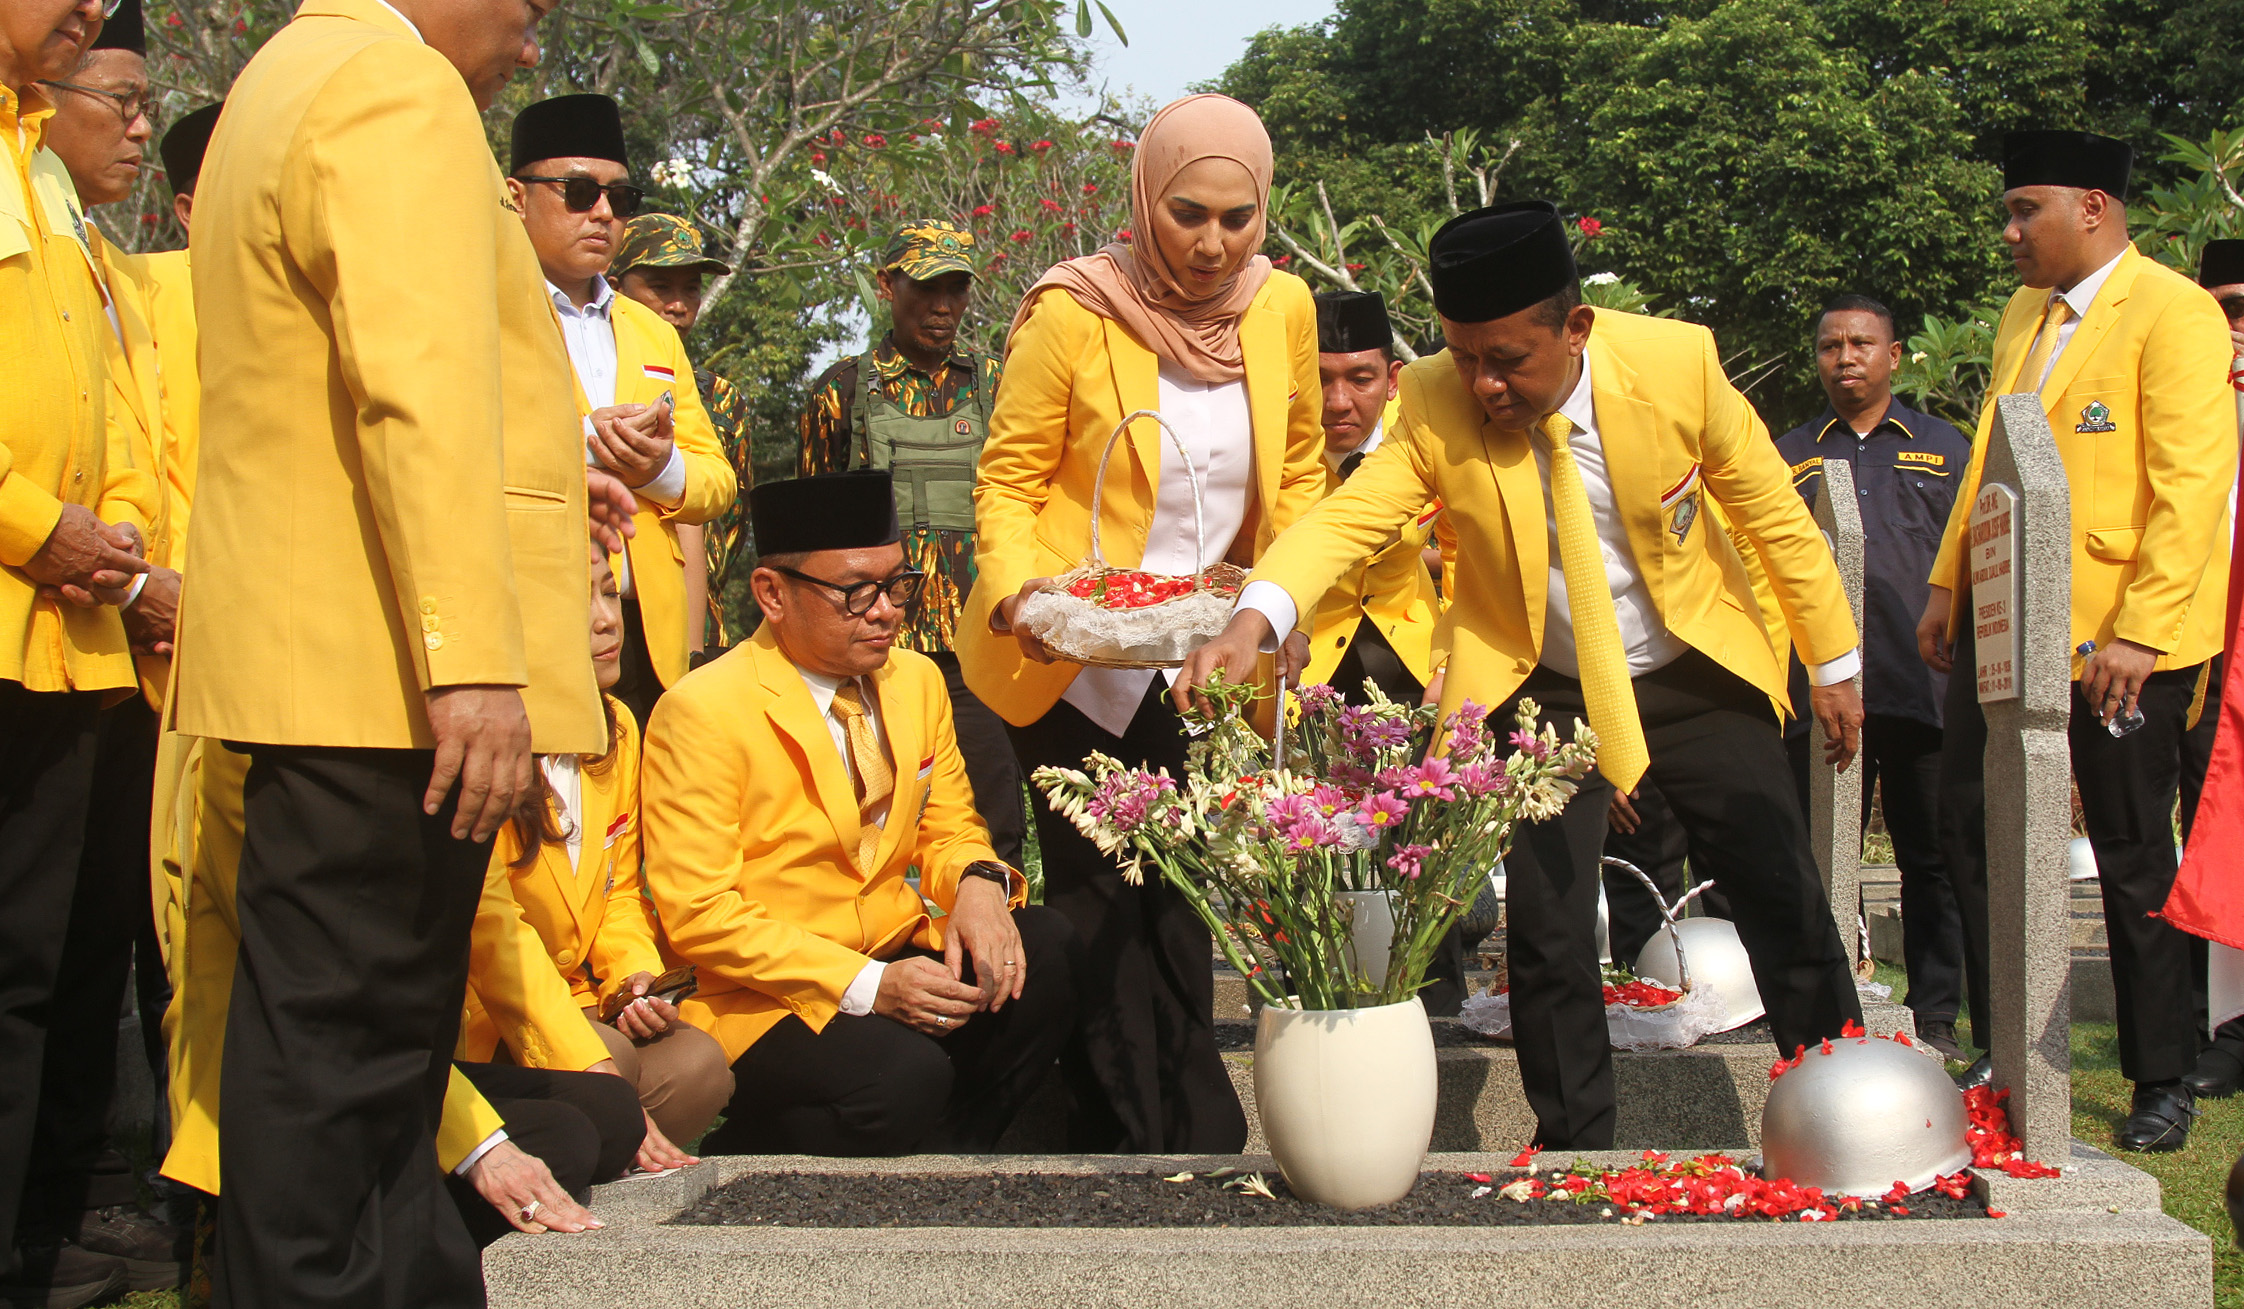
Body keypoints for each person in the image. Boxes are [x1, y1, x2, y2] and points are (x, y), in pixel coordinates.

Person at [1181, 199, 1868, 1151]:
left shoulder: (1677, 364)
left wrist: (1833, 664)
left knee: (1779, 889)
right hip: (1538, 684)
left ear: (1575, 327)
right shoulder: (1434, 399)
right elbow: (1346, 521)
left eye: (1507, 359)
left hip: (1690, 668)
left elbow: (1774, 518)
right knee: (1548, 932)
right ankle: (1575, 1146)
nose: (1485, 384)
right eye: (1464, 356)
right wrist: (1253, 619)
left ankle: (1851, 1112)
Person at [166, 0, 632, 1300]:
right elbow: (414, 392)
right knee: (344, 1079)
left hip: (326, 666)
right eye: (528, 10)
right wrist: (471, 663)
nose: (528, 46)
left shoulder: (285, 73)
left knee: (356, 1074)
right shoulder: (394, 88)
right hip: (383, 680)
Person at [957, 94, 1326, 1153]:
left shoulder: (1282, 308)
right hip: (1074, 657)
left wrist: (1284, 605)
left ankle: (1186, 1131)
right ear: (1144, 201)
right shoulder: (1076, 309)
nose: (1213, 244)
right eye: (1187, 214)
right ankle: (1127, 1137)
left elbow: (1303, 471)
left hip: (1208, 653)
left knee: (1186, 901)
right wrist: (1023, 596)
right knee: (1098, 901)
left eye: (1237, 218)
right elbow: (1009, 479)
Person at [1917, 131, 2235, 1152]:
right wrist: (1949, 580)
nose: (2010, 233)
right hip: (2006, 621)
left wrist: (2140, 633)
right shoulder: (2026, 313)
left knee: (2131, 851)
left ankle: (2161, 1074)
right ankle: (2006, 1042)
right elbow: (1989, 454)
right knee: (1970, 823)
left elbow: (2193, 487)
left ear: (2093, 207)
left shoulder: (2175, 311)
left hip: (2118, 639)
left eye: (2027, 211)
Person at [642, 470, 1077, 1156]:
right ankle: (754, 1154)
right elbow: (701, 913)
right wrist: (871, 985)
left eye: (897, 584)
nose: (885, 612)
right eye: (856, 592)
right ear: (772, 593)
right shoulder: (701, 710)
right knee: (900, 1078)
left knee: (1045, 950)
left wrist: (979, 883)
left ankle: (943, 1157)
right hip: (769, 990)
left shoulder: (918, 680)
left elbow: (951, 826)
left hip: (894, 944)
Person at [18, 1, 191, 1292]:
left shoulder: (81, 240)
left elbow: (118, 429)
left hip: (100, 637)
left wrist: (121, 548)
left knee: (64, 959)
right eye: (115, 99)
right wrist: (56, 535)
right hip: (47, 607)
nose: (134, 126)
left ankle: (49, 1219)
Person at [458, 541, 734, 1152]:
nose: (608, 620)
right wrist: (596, 1062)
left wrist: (633, 980)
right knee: (612, 1067)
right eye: (574, 600)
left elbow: (619, 894)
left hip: (579, 994)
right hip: (488, 1010)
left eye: (610, 592)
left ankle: (602, 1159)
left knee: (698, 1068)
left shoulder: (618, 726)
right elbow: (490, 933)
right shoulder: (478, 745)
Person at [1771, 294, 1973, 1061]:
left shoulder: (1944, 447)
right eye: (1831, 344)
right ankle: (1824, 1013)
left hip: (1922, 688)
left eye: (1861, 342)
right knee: (1819, 860)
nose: (1845, 356)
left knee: (1932, 859)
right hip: (1820, 694)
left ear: (1894, 355)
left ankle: (1937, 1012)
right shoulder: (1785, 454)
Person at [799, 219, 1025, 867]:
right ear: (887, 286)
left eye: (956, 289)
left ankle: (998, 930)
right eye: (926, 288)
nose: (942, 306)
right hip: (876, 648)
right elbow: (812, 530)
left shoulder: (998, 382)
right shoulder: (842, 391)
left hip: (980, 648)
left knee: (995, 819)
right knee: (872, 818)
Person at [510, 93, 735, 728]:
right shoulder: (485, 314)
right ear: (517, 197)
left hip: (650, 635)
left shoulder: (651, 331)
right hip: (540, 624)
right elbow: (456, 453)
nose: (604, 213)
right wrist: (583, 443)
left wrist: (660, 470)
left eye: (621, 197)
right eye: (579, 192)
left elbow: (716, 479)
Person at [1301, 289, 1475, 1013]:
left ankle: (1435, 998)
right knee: (1315, 841)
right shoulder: (1280, 447)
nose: (1338, 400)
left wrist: (1456, 661)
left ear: (1393, 377)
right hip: (1309, 663)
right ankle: (1321, 990)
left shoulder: (1426, 435)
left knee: (1420, 837)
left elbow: (1464, 550)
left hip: (1409, 655)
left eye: (1360, 378)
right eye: (1321, 378)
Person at [608, 212, 753, 653]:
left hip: (703, 624)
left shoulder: (722, 399)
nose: (678, 305)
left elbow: (734, 516)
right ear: (615, 288)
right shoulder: (603, 382)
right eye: (660, 287)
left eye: (691, 288)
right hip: (609, 608)